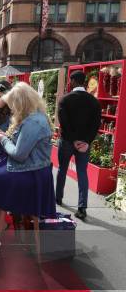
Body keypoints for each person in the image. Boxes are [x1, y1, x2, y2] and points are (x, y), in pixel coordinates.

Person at [0, 82, 56, 229]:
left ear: (21, 103)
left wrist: (2, 139)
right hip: (30, 169)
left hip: (28, 172)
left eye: (13, 104)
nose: (12, 108)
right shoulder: (34, 116)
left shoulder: (32, 121)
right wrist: (3, 137)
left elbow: (18, 154)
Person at [55, 70, 101, 220]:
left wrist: (74, 139)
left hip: (68, 141)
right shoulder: (94, 101)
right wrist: (86, 141)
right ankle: (82, 208)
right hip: (84, 144)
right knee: (82, 173)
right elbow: (95, 125)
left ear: (72, 81)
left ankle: (58, 198)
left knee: (62, 169)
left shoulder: (65, 100)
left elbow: (64, 122)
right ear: (85, 82)